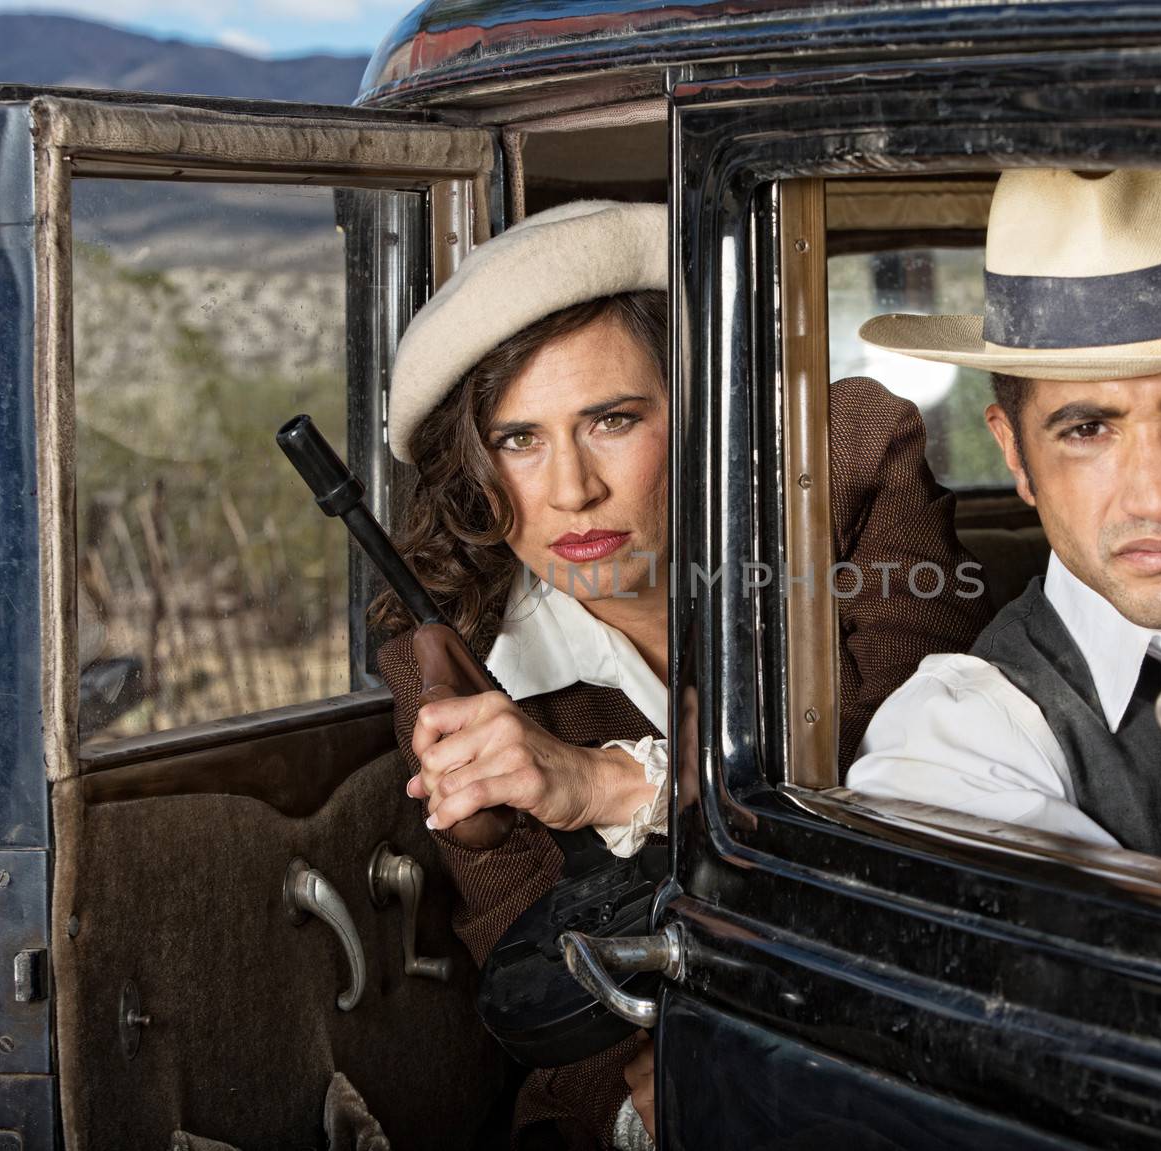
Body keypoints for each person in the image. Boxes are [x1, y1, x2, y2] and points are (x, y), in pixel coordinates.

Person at [373, 199, 992, 1149]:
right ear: (474, 465)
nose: (572, 488)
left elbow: (917, 790)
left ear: (704, 408)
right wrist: (642, 1108)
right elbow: (522, 945)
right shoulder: (452, 641)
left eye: (613, 420)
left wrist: (613, 783)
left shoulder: (849, 467)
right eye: (519, 439)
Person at [847, 168, 1161, 886]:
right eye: (1087, 429)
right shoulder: (963, 744)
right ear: (1014, 454)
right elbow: (1035, 995)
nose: (1156, 497)